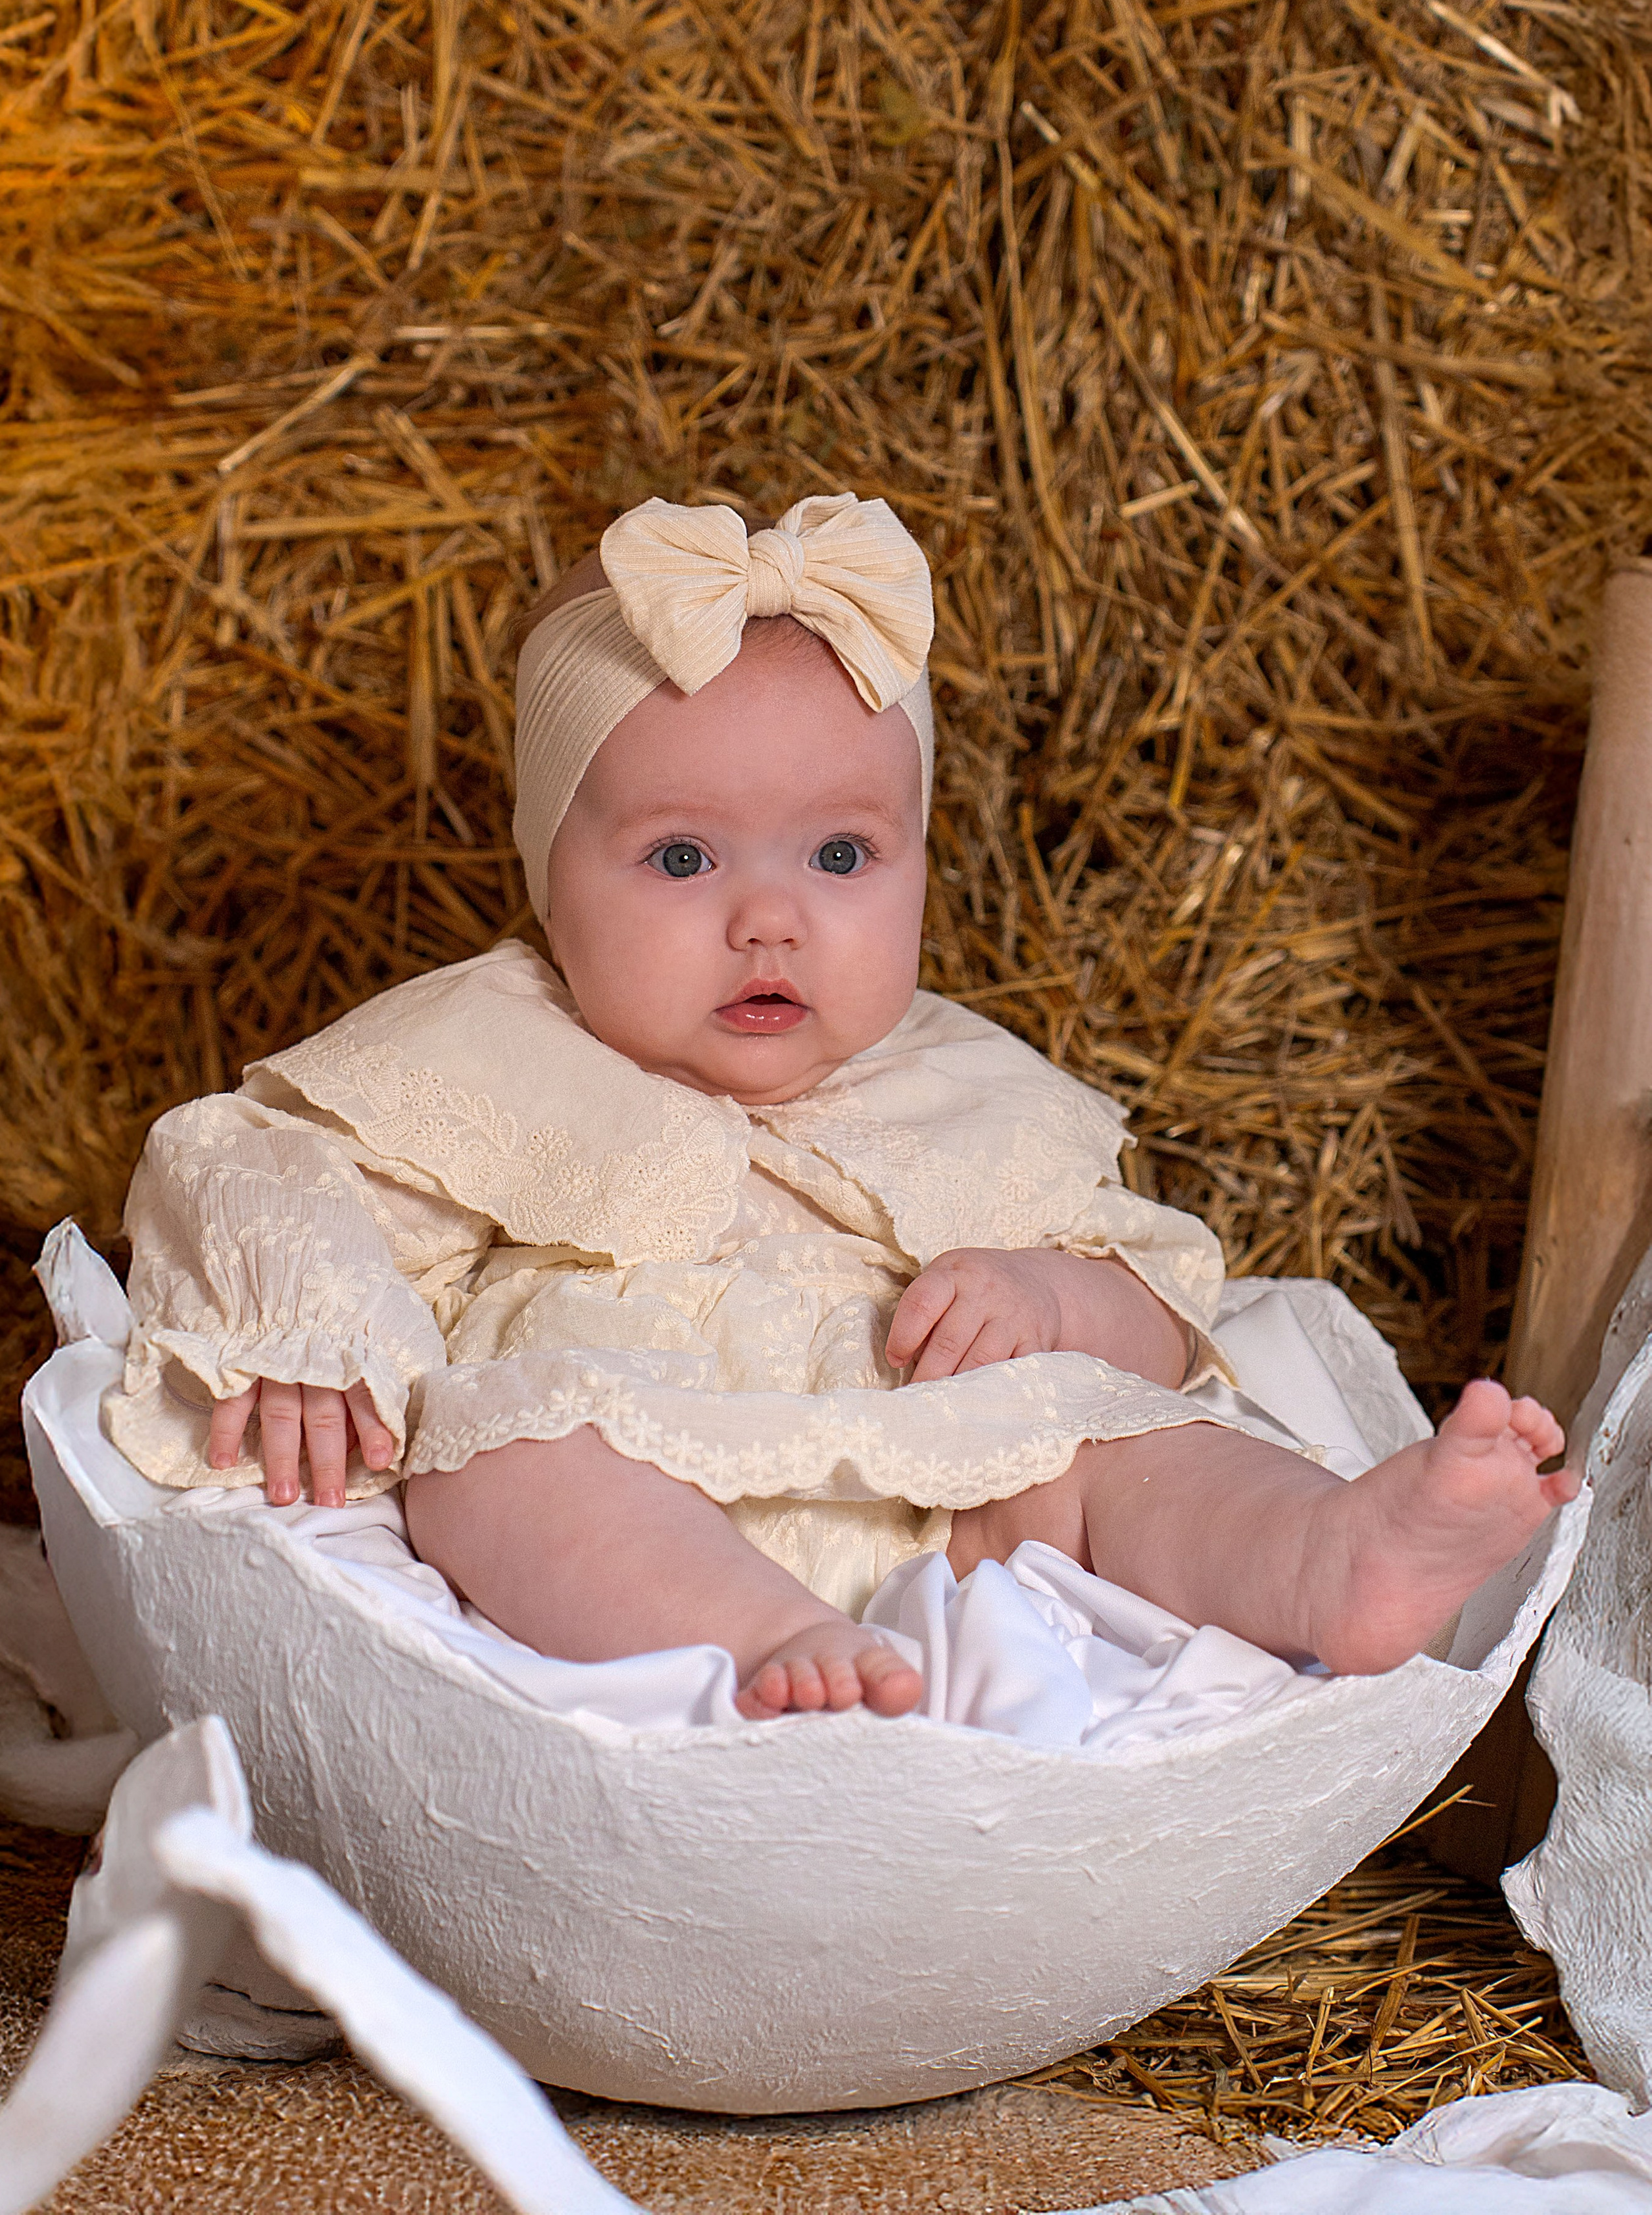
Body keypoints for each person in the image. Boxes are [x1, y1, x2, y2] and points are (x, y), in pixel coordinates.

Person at [111, 495, 1576, 1720]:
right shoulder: (489, 1049)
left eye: (840, 855)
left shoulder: (967, 1080)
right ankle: (755, 1643)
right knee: (497, 1459)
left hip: (960, 1509)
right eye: (682, 861)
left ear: (921, 859)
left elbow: (1164, 1297)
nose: (769, 921)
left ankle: (1326, 1556)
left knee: (1126, 1443)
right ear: (547, 872)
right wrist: (311, 1340)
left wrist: (1054, 1298)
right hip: (637, 1474)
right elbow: (256, 1165)